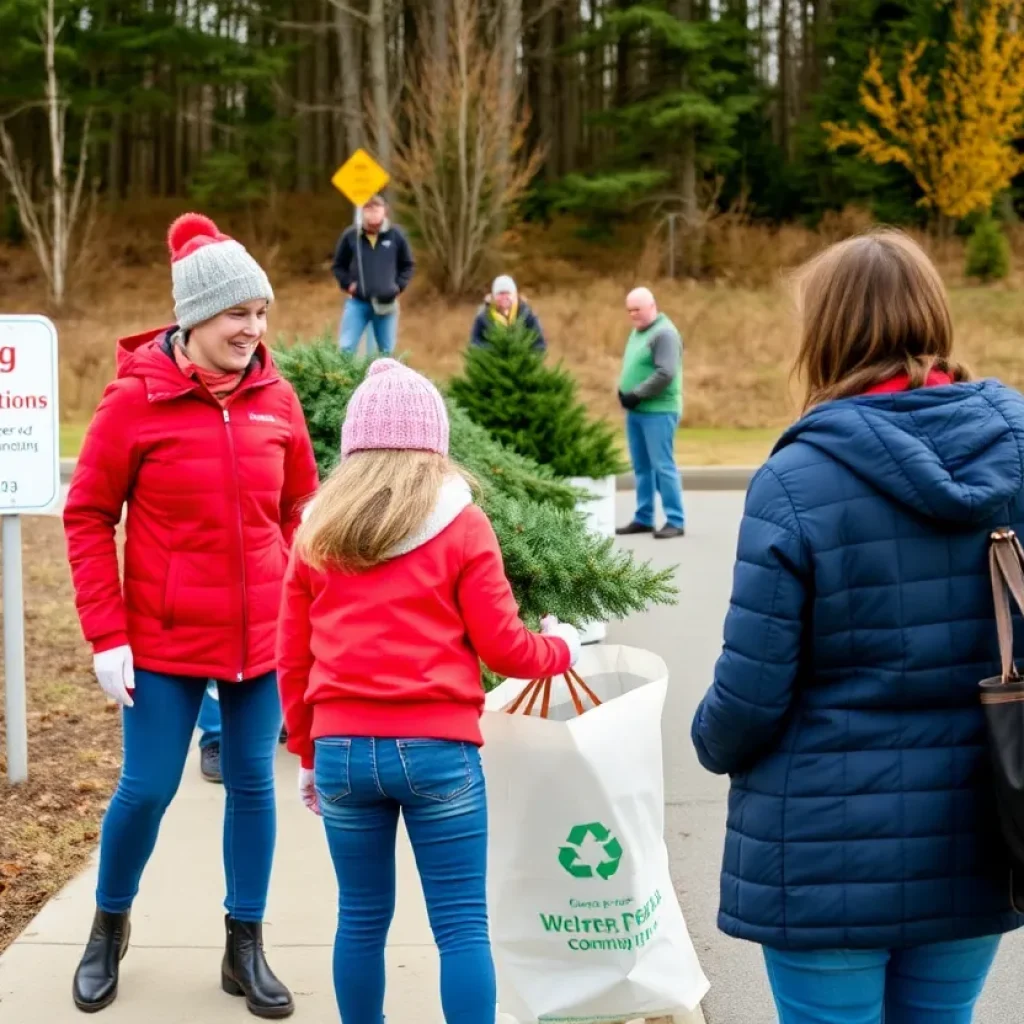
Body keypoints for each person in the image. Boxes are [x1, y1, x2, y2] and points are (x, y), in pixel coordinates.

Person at [690, 229, 1024, 1024]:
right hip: (978, 830)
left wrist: (709, 742)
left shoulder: (796, 477)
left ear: (827, 335)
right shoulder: (1016, 448)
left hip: (821, 852)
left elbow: (750, 693)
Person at [63, 212, 319, 1017]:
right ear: (196, 317)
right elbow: (87, 514)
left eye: (261, 313)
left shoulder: (278, 397)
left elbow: (301, 508)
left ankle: (244, 946)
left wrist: (308, 601)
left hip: (262, 642)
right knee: (146, 789)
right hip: (163, 643)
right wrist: (107, 634)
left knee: (252, 786)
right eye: (239, 313)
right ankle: (108, 926)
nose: (256, 328)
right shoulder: (135, 402)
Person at [276, 358, 582, 1024]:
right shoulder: (464, 526)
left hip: (343, 753)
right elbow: (505, 648)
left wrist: (306, 752)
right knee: (461, 925)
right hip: (439, 750)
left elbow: (291, 661)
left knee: (358, 918)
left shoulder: (316, 534)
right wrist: (563, 648)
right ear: (433, 446)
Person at [615, 287, 685, 540]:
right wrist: (625, 392)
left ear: (652, 306)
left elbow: (666, 373)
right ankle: (644, 517)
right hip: (637, 411)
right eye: (630, 310)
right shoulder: (638, 332)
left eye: (638, 309)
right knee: (642, 466)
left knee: (662, 465)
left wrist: (637, 394)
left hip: (659, 410)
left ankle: (675, 520)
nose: (633, 314)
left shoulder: (664, 333)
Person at [331, 194, 414, 357]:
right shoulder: (352, 235)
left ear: (385, 211)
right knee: (345, 349)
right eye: (368, 209)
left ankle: (384, 382)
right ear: (363, 212)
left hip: (386, 304)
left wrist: (398, 286)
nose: (373, 213)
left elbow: (407, 264)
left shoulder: (396, 235)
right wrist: (348, 284)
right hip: (358, 303)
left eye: (377, 209)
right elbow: (338, 265)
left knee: (386, 352)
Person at [469, 275, 547, 351]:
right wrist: (494, 351)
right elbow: (474, 344)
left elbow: (539, 344)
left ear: (515, 295)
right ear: (493, 296)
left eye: (507, 293)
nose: (504, 297)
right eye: (500, 293)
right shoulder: (483, 317)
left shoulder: (527, 315)